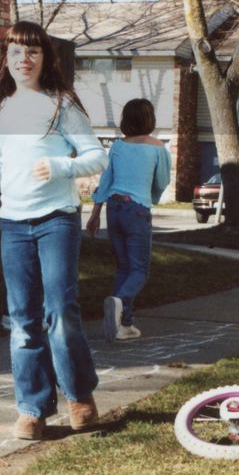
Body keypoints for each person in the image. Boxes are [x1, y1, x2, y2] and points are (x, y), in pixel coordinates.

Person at [0, 21, 107, 441]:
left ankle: (78, 395)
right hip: (14, 225)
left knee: (60, 310)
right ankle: (32, 407)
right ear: (7, 59)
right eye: (15, 52)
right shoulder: (2, 109)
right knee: (22, 319)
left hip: (57, 218)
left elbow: (95, 156)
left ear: (44, 58)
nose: (24, 59)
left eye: (32, 51)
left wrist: (60, 167)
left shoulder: (60, 105)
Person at [86, 98, 170, 342]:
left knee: (124, 267)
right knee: (140, 271)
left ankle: (125, 324)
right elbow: (162, 182)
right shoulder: (158, 147)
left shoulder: (117, 147)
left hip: (114, 208)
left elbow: (106, 180)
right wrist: (150, 198)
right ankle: (119, 303)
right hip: (137, 210)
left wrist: (94, 214)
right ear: (149, 119)